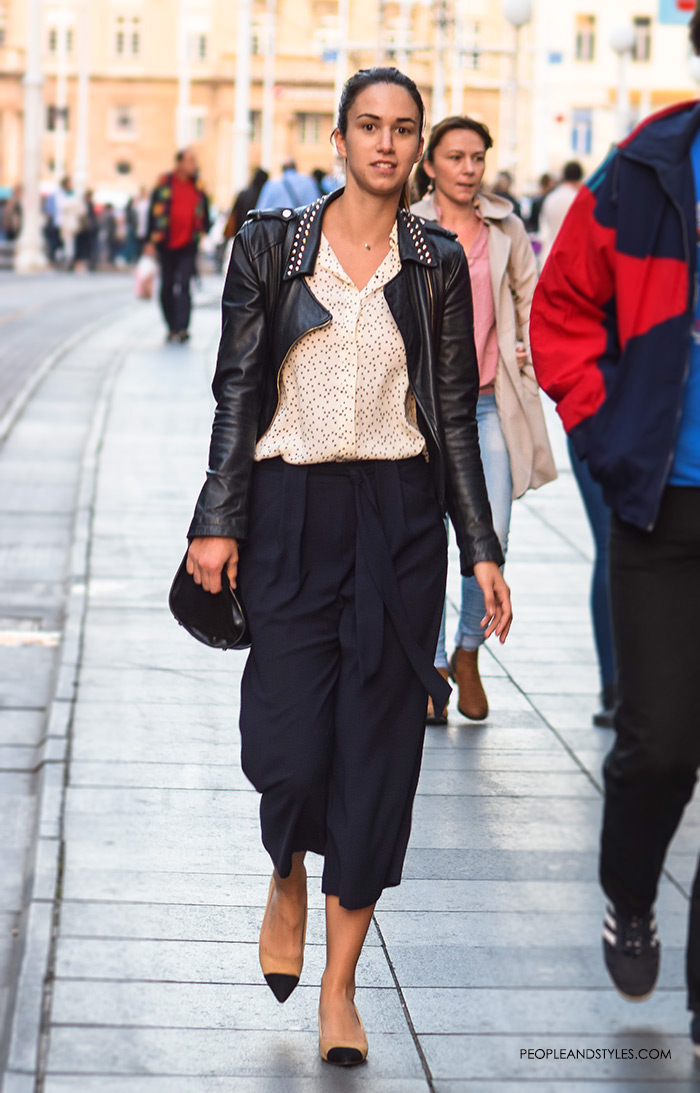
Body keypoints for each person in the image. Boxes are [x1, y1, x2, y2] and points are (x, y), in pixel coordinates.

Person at [185, 67, 512, 1066]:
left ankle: (339, 987)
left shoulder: (436, 262)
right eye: (368, 126)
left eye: (401, 129)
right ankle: (284, 863)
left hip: (397, 519)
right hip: (286, 512)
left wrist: (482, 551)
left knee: (377, 752)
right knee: (283, 740)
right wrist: (217, 517)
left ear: (415, 146)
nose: (385, 143)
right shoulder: (270, 247)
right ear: (337, 138)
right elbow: (238, 389)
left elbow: (451, 412)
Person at [530, 7, 700, 1052]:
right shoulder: (643, 171)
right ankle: (628, 892)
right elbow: (558, 313)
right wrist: (606, 438)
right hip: (665, 503)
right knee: (658, 747)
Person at [412, 116, 556, 723]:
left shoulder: (506, 228)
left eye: (477, 158)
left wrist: (530, 344)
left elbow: (533, 297)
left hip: (489, 401)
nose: (469, 169)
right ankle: (432, 664)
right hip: (419, 409)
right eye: (456, 158)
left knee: (488, 534)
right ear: (432, 166)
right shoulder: (410, 227)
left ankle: (468, 650)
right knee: (422, 540)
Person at [145, 148, 211, 343]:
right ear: (179, 163)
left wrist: (204, 230)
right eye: (190, 161)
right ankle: (171, 325)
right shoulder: (164, 183)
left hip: (189, 243)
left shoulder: (198, 186)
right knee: (166, 285)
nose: (193, 165)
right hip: (165, 242)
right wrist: (149, 239)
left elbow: (205, 211)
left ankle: (182, 327)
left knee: (184, 284)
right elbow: (153, 211)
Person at [538, 160, 584, 266]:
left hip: (549, 256)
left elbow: (543, 231)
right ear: (579, 179)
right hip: (572, 260)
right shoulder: (578, 199)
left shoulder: (550, 198)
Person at [223, 167, 269, 241]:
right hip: (256, 234)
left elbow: (234, 213)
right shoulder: (263, 196)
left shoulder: (243, 194)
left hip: (240, 232)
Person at [256, 159, 320, 209]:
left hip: (279, 224)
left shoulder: (272, 184)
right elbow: (315, 205)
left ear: (282, 168)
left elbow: (262, 208)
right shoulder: (309, 181)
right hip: (302, 223)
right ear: (295, 167)